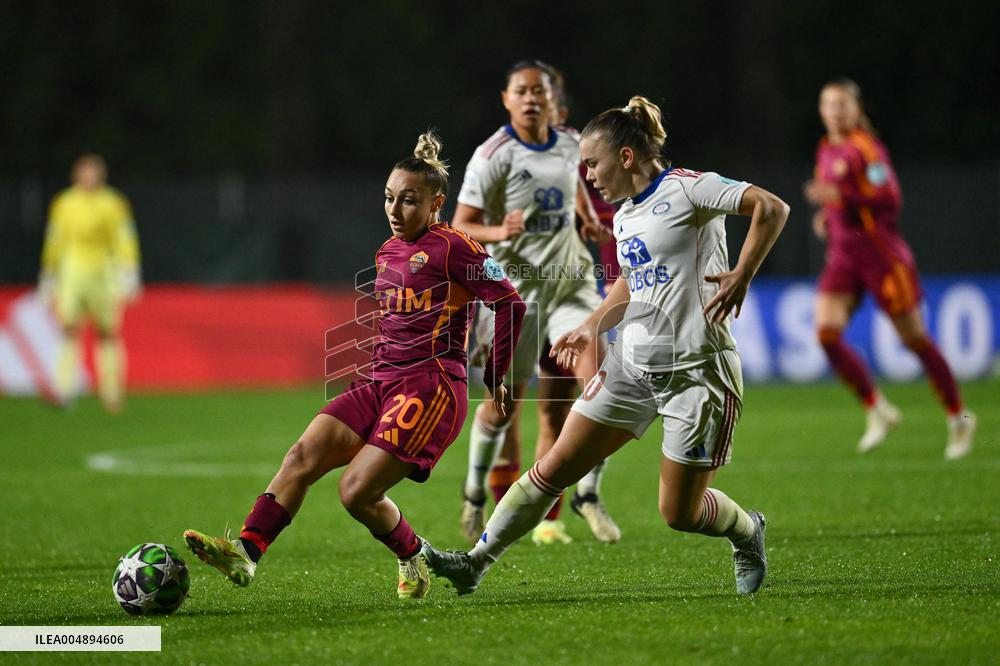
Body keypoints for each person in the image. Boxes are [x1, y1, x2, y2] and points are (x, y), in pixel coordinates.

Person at [423, 95, 789, 597]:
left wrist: (743, 272)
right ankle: (475, 563)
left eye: (592, 164)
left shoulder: (689, 188)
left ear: (625, 157)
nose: (588, 177)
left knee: (678, 513)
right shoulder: (624, 216)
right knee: (552, 469)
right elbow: (631, 281)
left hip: (699, 376)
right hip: (632, 368)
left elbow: (771, 207)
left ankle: (748, 531)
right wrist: (594, 324)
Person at [184, 132, 526, 600]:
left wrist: (496, 372)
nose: (394, 209)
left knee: (354, 492)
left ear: (436, 204)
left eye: (409, 200)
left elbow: (510, 301)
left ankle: (414, 556)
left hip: (431, 386)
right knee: (300, 457)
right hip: (379, 382)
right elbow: (396, 324)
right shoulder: (386, 251)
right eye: (389, 198)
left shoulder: (455, 247)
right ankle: (245, 553)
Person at [456, 60, 618, 548]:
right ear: (506, 99)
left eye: (539, 91)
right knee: (503, 408)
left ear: (553, 99)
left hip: (569, 285)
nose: (530, 98)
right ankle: (473, 491)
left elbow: (574, 185)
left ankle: (584, 494)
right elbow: (461, 224)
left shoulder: (571, 142)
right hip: (516, 295)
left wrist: (587, 218)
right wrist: (497, 231)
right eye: (521, 91)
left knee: (604, 383)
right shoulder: (492, 155)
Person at [804, 79, 976, 459]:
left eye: (842, 105)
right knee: (826, 335)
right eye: (829, 104)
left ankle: (958, 416)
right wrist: (828, 217)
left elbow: (888, 198)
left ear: (855, 108)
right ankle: (878, 409)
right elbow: (841, 205)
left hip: (881, 256)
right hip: (844, 257)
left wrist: (840, 198)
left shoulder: (867, 148)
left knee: (914, 338)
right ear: (821, 110)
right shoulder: (826, 149)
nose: (835, 111)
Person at [38, 154, 141, 412]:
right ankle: (63, 389)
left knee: (107, 332)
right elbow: (55, 239)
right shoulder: (64, 203)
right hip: (72, 272)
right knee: (69, 329)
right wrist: (48, 273)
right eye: (84, 172)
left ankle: (111, 391)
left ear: (101, 175)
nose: (89, 177)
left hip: (103, 272)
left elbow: (124, 237)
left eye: (93, 172)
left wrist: (130, 271)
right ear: (76, 175)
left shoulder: (113, 203)